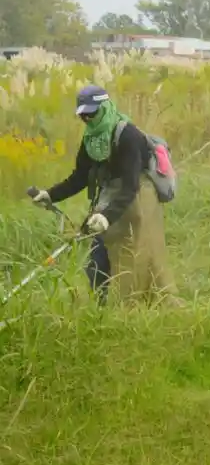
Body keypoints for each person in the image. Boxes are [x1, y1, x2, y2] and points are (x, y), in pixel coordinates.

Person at [29, 85, 179, 305]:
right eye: (83, 115)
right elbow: (79, 177)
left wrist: (107, 216)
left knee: (136, 255)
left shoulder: (127, 135)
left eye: (92, 113)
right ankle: (101, 309)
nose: (87, 119)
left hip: (139, 198)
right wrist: (50, 195)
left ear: (105, 107)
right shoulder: (91, 139)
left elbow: (130, 185)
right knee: (97, 259)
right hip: (110, 197)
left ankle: (136, 308)